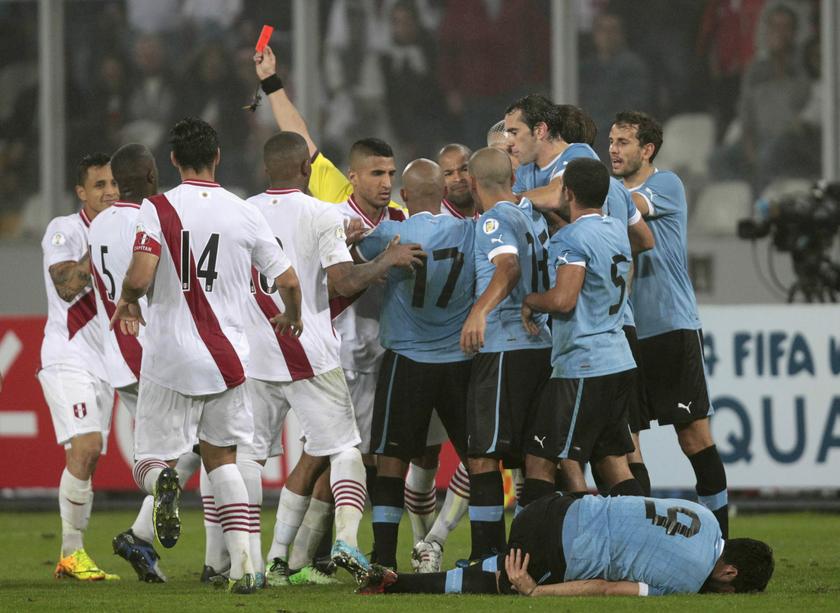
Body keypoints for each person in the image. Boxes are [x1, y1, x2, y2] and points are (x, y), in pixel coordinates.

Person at [111, 117, 302, 594]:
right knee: (225, 461)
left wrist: (128, 299)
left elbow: (139, 275)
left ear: (173, 160)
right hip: (228, 357)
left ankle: (164, 486)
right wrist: (291, 314)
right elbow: (288, 281)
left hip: (170, 356)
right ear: (217, 156)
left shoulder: (157, 208)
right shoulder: (243, 211)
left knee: (150, 460)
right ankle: (245, 568)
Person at [239, 131, 424, 587]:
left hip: (256, 352)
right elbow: (341, 283)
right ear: (307, 169)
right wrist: (388, 259)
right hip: (310, 347)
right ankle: (343, 542)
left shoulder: (243, 213)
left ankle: (255, 562)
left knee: (250, 457)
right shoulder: (323, 213)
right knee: (343, 449)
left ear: (266, 169)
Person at [609, 110, 730, 538]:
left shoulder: (665, 185)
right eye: (611, 141)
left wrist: (584, 184)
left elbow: (632, 207)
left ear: (647, 149)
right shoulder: (608, 197)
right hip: (625, 334)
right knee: (629, 442)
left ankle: (720, 544)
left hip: (672, 325)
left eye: (623, 142)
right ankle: (646, 545)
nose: (613, 150)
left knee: (692, 436)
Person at [88, 143, 201, 583]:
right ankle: (218, 557)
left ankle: (140, 536)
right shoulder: (149, 217)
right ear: (153, 175)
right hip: (156, 353)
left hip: (117, 353)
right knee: (200, 443)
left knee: (181, 448)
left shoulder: (98, 225)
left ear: (117, 182)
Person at [358, 158, 475, 570]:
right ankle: (486, 555)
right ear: (444, 193)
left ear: (403, 196)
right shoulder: (469, 232)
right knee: (479, 460)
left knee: (391, 461)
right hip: (459, 363)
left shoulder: (389, 235)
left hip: (406, 362)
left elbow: (356, 252)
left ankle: (384, 559)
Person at [360, 494, 774, 597]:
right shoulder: (686, 582)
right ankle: (397, 584)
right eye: (730, 591)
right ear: (730, 572)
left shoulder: (699, 514)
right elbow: (607, 588)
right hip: (556, 547)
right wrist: (537, 591)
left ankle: (486, 562)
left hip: (551, 506)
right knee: (507, 583)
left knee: (504, 563)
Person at [522, 158, 642, 500]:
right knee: (612, 462)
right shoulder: (616, 229)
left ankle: (535, 545)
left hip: (584, 364)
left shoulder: (570, 240)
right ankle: (638, 538)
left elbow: (563, 300)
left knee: (541, 459)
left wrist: (531, 300)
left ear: (567, 192)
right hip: (619, 358)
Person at [456, 147, 552, 562]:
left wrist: (479, 311)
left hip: (504, 347)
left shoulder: (493, 219)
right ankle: (533, 555)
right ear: (512, 180)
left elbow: (508, 268)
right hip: (539, 347)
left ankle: (488, 558)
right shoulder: (531, 216)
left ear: (473, 184)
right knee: (535, 458)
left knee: (483, 455)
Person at [39, 153, 119, 581]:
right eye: (100, 185)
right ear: (81, 192)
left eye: (113, 184)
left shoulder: (126, 231)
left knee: (87, 457)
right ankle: (72, 552)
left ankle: (72, 558)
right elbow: (68, 285)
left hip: (105, 363)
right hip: (66, 356)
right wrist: (102, 246)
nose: (109, 192)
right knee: (86, 447)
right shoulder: (64, 229)